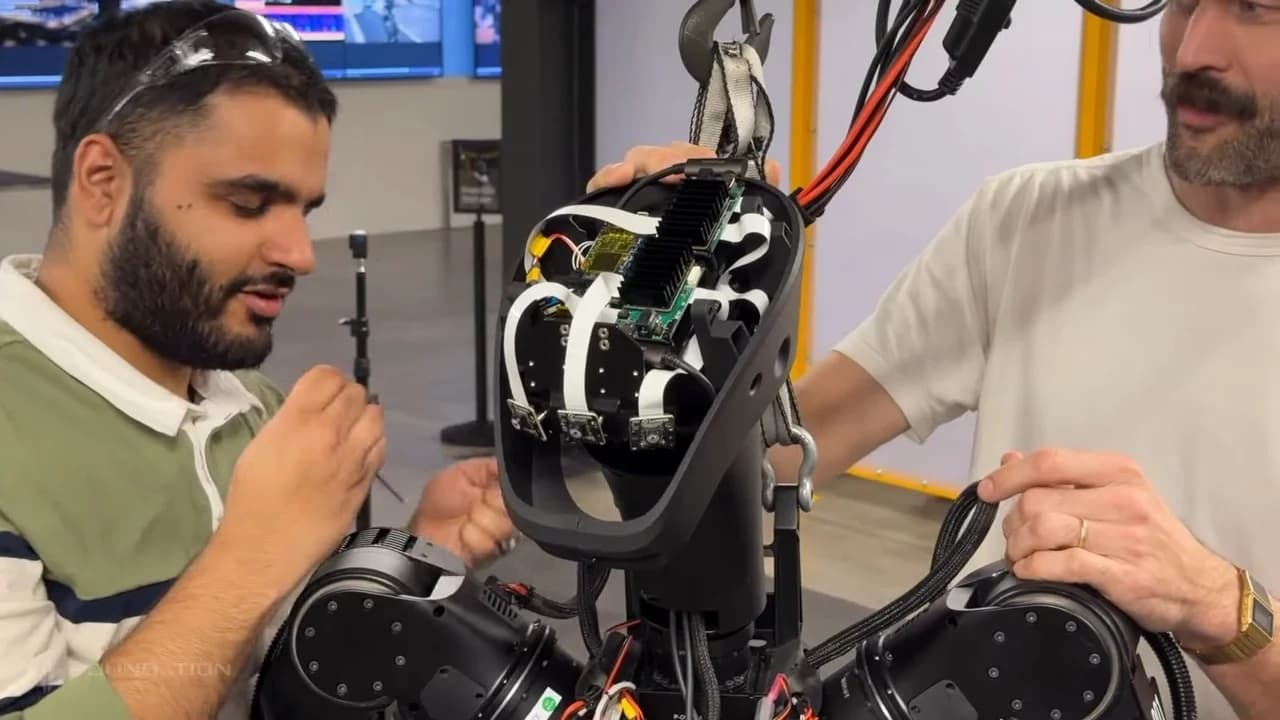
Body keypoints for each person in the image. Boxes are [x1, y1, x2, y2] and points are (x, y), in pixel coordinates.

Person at [590, 0, 1280, 717]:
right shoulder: (1028, 220)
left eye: (1256, 8)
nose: (1195, 48)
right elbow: (772, 458)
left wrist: (1226, 612)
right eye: (1186, 3)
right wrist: (671, 313)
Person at [0, 2, 515, 718]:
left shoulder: (253, 406)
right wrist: (254, 553)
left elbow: (280, 677)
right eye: (247, 203)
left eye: (304, 210)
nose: (300, 254)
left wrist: (404, 558)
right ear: (102, 181)